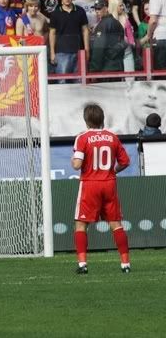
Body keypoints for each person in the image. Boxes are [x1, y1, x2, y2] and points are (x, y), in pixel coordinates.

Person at [71, 104, 131, 274]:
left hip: (90, 184)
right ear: (102, 119)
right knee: (116, 224)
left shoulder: (82, 138)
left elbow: (77, 165)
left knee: (81, 224)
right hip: (109, 183)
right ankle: (125, 264)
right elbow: (125, 162)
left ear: (86, 121)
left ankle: (82, 264)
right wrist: (113, 171)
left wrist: (73, 160)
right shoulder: (113, 137)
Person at [49, 0, 90, 78]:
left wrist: (87, 49)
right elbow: (52, 33)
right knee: (62, 80)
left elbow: (85, 30)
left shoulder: (80, 11)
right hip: (61, 52)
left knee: (79, 80)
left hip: (79, 51)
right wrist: (52, 52)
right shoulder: (55, 13)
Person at [88, 0, 125, 73]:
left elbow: (99, 48)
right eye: (95, 9)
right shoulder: (116, 22)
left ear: (106, 8)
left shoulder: (104, 24)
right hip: (118, 64)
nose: (97, 11)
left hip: (106, 66)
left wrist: (94, 68)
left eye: (99, 9)